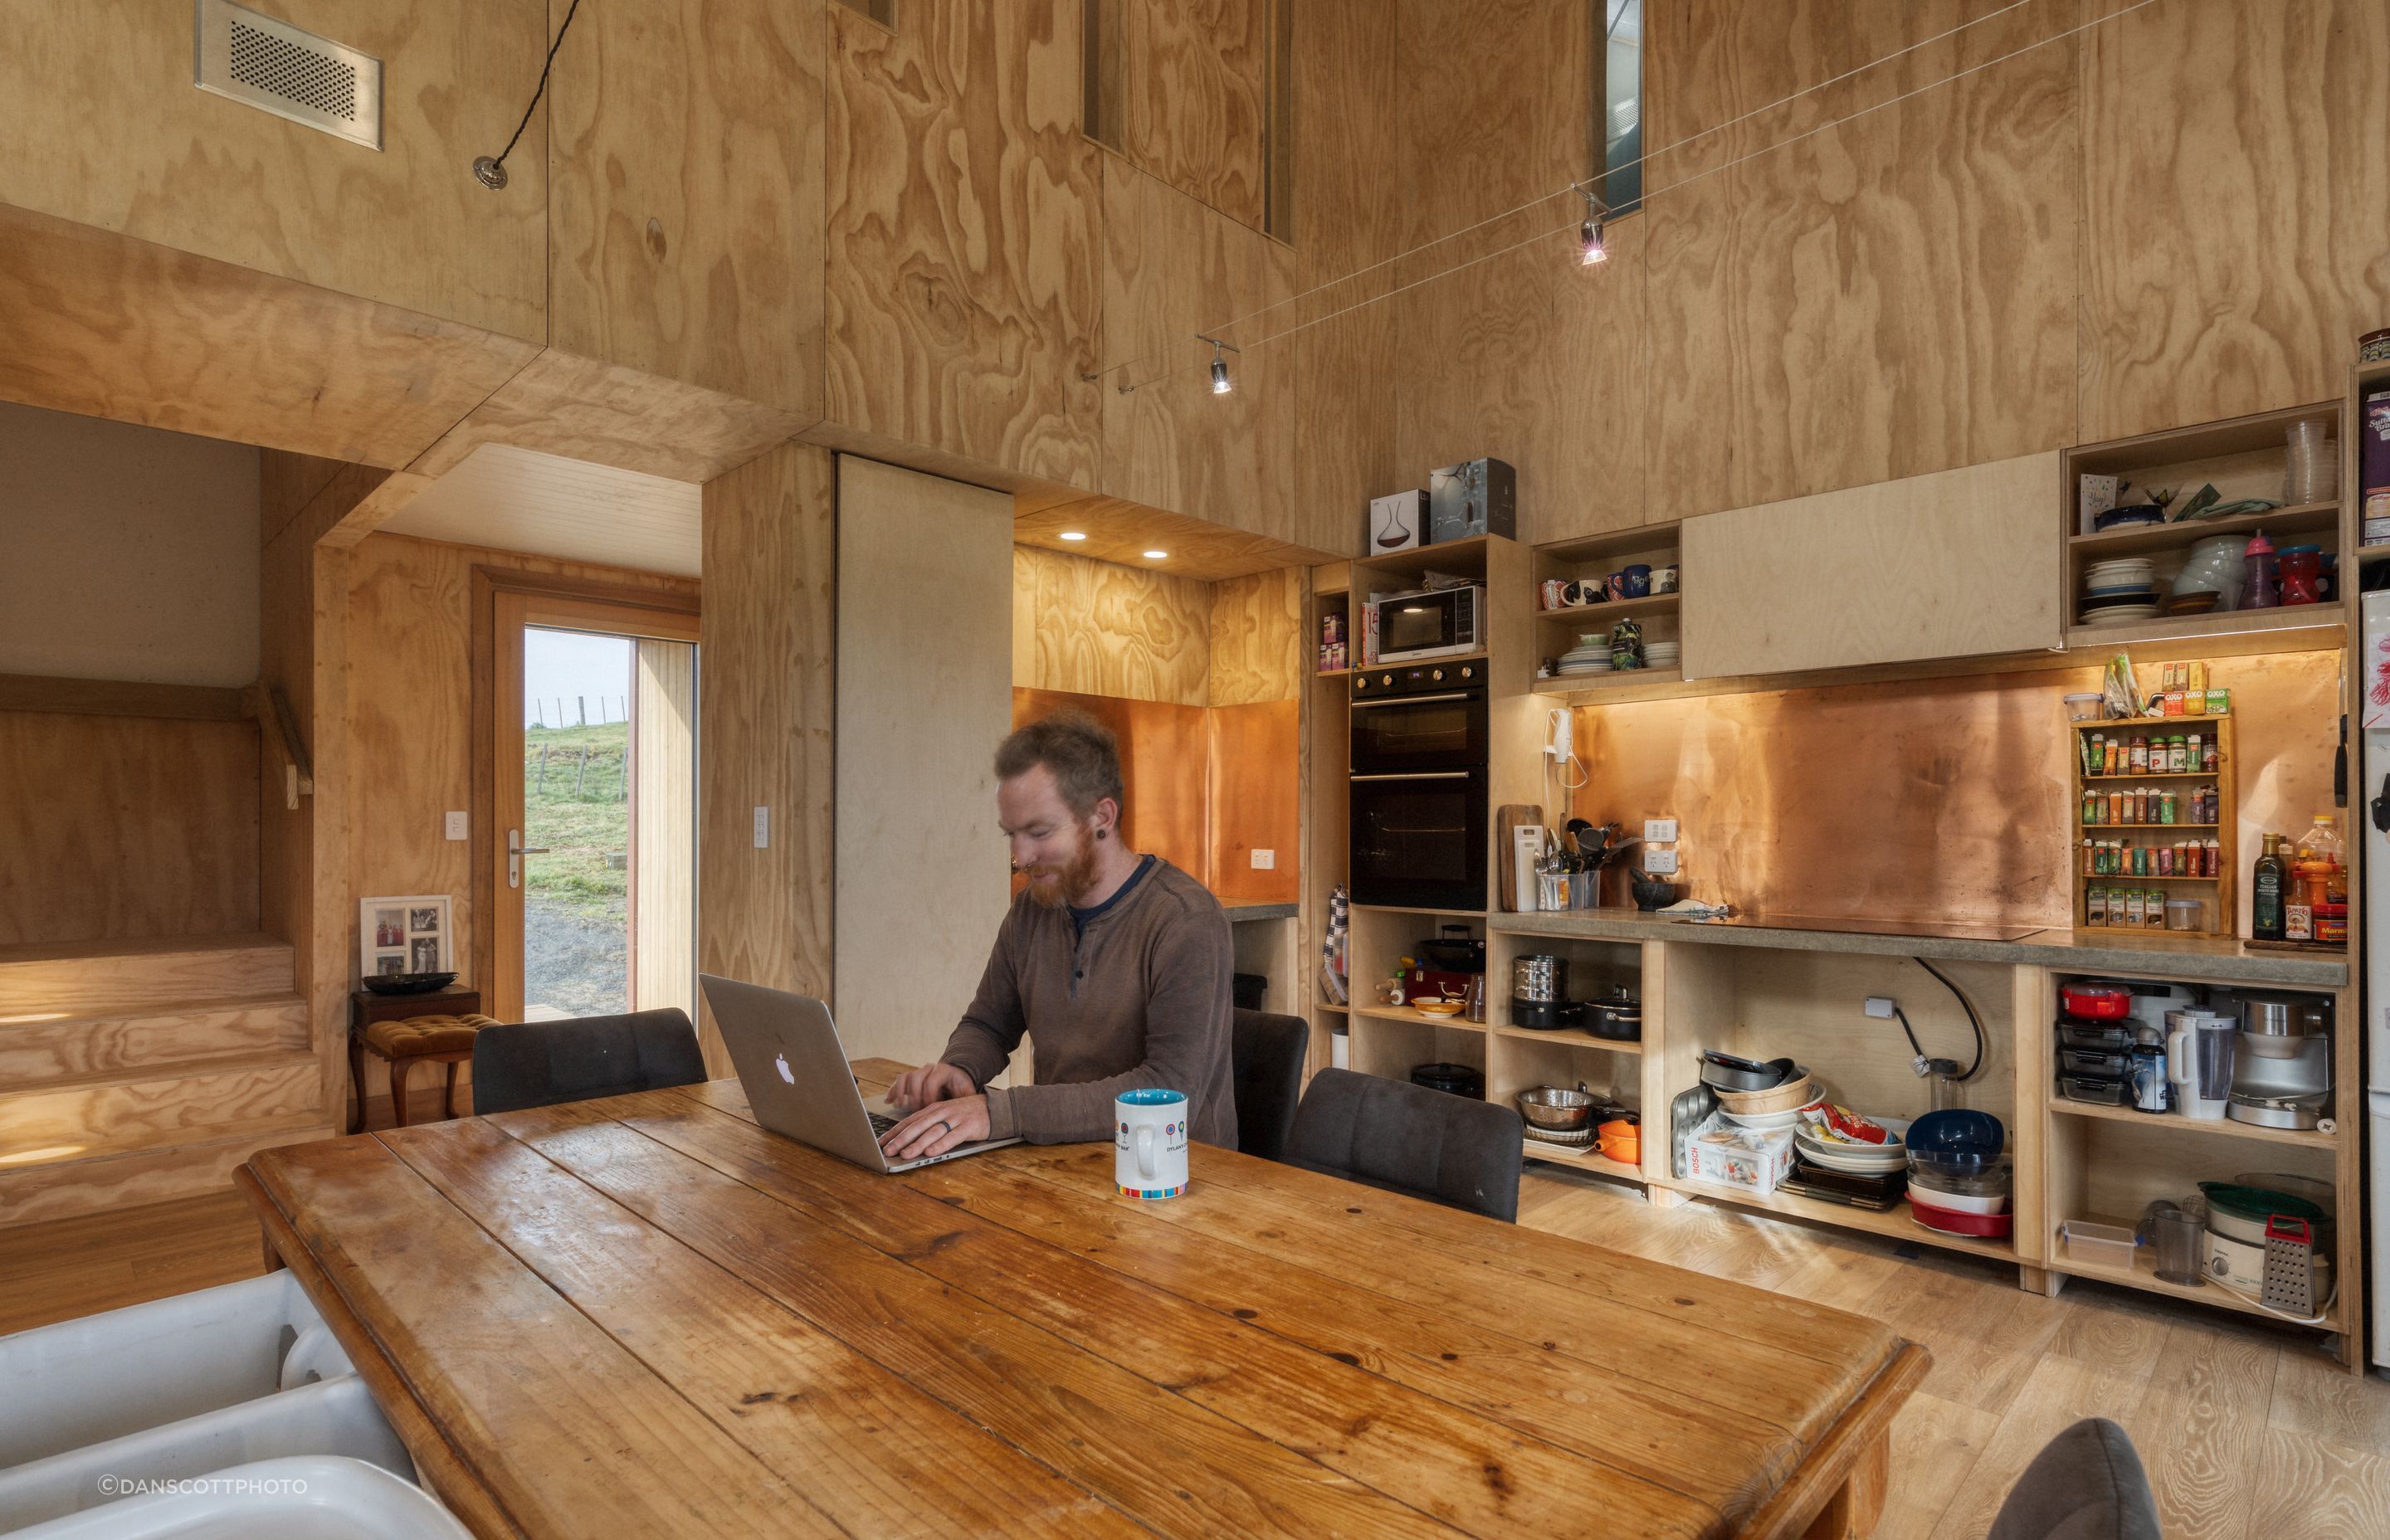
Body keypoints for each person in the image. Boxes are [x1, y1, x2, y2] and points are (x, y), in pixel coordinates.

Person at [877, 709, 1237, 1161]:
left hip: (1174, 1176)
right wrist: (960, 1070)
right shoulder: (1032, 911)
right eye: (1011, 834)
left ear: (1102, 816)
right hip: (1063, 1162)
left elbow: (1167, 1089)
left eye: (1039, 831)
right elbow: (988, 1024)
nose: (1020, 856)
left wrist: (1000, 1112)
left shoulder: (1186, 920)